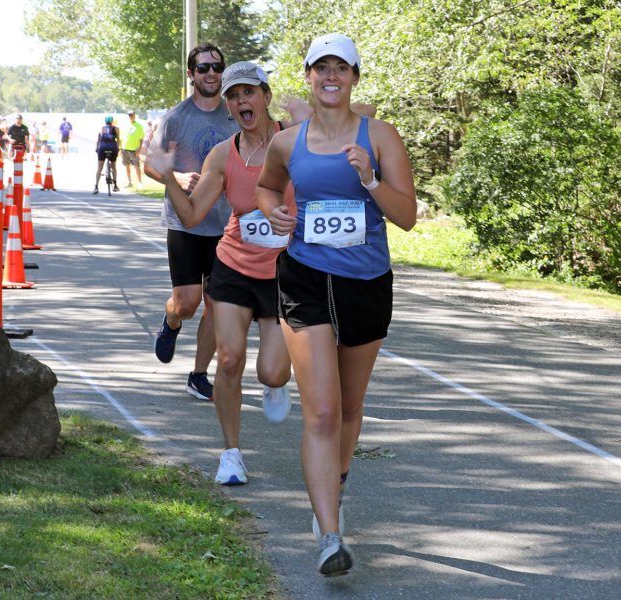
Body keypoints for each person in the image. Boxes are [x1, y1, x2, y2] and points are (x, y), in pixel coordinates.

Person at [256, 33, 417, 576]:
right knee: (321, 411)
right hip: (304, 278)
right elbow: (267, 188)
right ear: (307, 75)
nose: (330, 76)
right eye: (320, 68)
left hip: (365, 281)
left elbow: (408, 216)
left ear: (353, 77)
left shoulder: (381, 136)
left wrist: (370, 179)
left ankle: (335, 485)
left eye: (340, 68)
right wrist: (275, 213)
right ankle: (329, 535)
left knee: (349, 407)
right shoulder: (288, 142)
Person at [149, 61, 320, 486]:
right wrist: (167, 175)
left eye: (248, 92)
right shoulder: (224, 154)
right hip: (234, 267)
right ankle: (230, 454)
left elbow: (363, 119)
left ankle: (275, 383)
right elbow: (190, 216)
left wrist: (319, 110)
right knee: (228, 360)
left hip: (285, 270)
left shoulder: (299, 137)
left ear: (265, 95)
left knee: (272, 371)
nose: (241, 100)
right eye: (233, 95)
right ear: (227, 106)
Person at [144, 42, 240, 402]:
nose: (211, 73)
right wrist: (179, 179)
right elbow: (150, 165)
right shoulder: (176, 118)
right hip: (185, 223)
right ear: (191, 74)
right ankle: (170, 322)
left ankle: (198, 375)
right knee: (187, 303)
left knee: (216, 302)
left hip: (226, 225)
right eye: (203, 68)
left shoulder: (235, 114)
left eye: (217, 67)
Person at [93, 115, 120, 194]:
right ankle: (115, 185)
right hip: (112, 148)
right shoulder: (116, 129)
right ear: (112, 122)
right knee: (114, 166)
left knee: (99, 167)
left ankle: (96, 186)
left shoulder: (101, 129)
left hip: (102, 148)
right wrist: (118, 148)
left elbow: (98, 141)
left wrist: (97, 148)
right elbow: (118, 140)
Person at [121, 110, 145, 187]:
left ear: (134, 116)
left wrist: (139, 148)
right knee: (127, 165)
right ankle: (129, 182)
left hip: (134, 149)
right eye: (129, 115)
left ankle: (140, 182)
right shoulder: (125, 125)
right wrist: (120, 148)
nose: (131, 117)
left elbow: (141, 138)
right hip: (125, 148)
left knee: (136, 165)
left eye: (132, 115)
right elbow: (122, 138)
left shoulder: (138, 126)